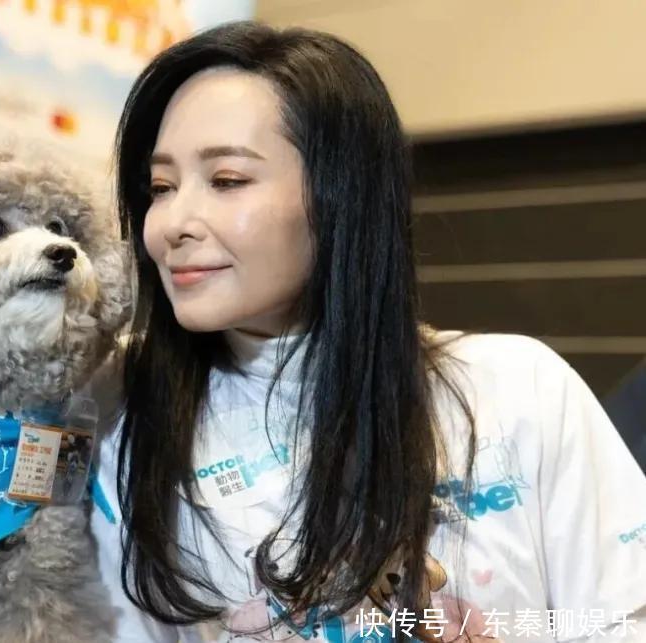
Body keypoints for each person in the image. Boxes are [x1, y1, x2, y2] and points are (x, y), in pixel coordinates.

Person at [87, 21, 646, 643]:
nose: (173, 223)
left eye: (227, 181)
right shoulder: (120, 420)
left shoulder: (515, 389)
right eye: (161, 188)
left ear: (341, 195)